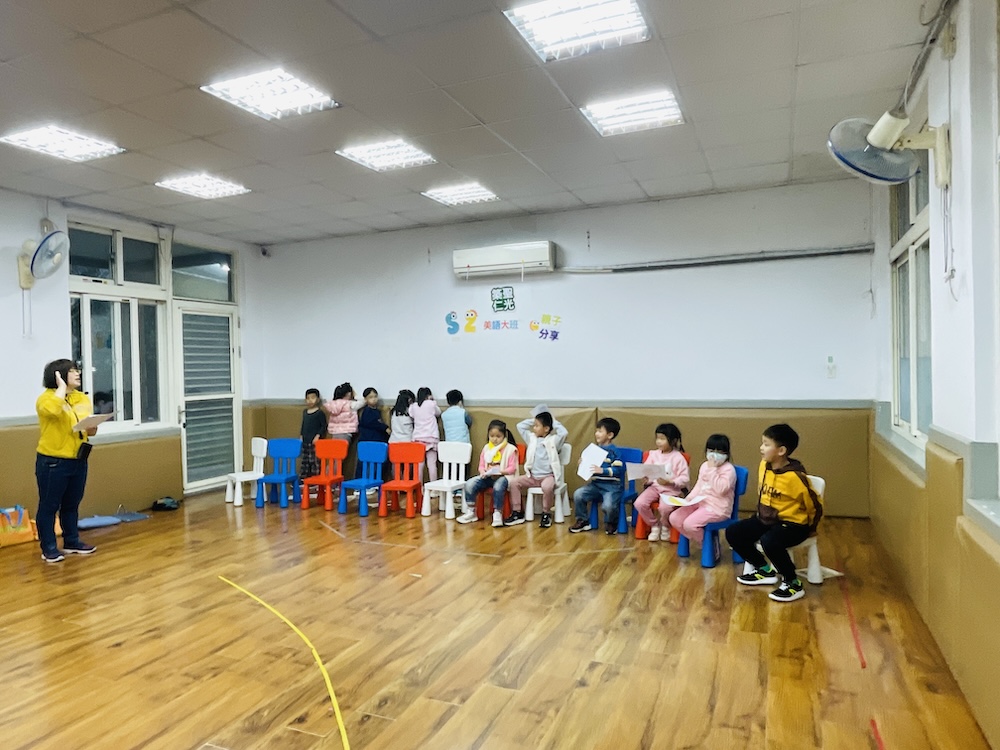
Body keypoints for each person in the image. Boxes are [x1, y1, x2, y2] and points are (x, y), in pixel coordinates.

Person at [725, 424, 822, 602]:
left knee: (769, 541)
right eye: (762, 443)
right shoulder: (764, 466)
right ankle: (764, 569)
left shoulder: (795, 477)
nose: (761, 448)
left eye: (766, 444)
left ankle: (793, 583)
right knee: (733, 532)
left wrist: (812, 528)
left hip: (794, 525)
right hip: (767, 519)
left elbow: (814, 505)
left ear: (781, 450)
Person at [35, 359, 99, 563]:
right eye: (72, 371)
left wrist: (92, 427)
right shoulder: (46, 399)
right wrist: (61, 388)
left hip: (78, 459)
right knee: (49, 505)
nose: (78, 374)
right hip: (53, 461)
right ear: (59, 375)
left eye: (77, 370)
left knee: (72, 504)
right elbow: (53, 411)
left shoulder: (81, 398)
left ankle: (72, 541)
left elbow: (88, 429)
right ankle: (49, 548)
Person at [669, 434, 737, 561]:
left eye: (719, 452)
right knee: (675, 518)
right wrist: (687, 500)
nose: (714, 455)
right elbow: (699, 486)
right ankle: (704, 542)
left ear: (726, 453)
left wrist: (713, 470)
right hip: (701, 503)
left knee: (689, 524)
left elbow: (721, 490)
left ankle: (710, 546)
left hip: (718, 509)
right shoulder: (704, 466)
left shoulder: (729, 470)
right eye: (711, 451)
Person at [506, 408, 567, 528]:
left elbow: (563, 433)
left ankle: (546, 513)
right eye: (534, 425)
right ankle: (517, 511)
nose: (534, 428)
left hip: (548, 476)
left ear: (546, 428)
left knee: (547, 487)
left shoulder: (553, 440)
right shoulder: (531, 438)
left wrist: (553, 421)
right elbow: (520, 426)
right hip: (532, 476)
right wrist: (534, 420)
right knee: (514, 483)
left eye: (537, 426)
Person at [633, 423, 690, 542]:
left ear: (673, 441)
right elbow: (647, 470)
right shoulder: (653, 454)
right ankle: (654, 525)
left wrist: (671, 482)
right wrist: (646, 478)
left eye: (662, 439)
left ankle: (665, 525)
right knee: (639, 503)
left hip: (671, 490)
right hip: (654, 488)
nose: (659, 442)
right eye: (657, 438)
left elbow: (684, 478)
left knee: (665, 508)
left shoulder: (678, 457)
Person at [458, 420, 518, 526]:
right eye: (492, 436)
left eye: (498, 436)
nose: (494, 439)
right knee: (470, 483)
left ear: (504, 435)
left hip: (504, 477)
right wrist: (483, 471)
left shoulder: (511, 449)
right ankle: (471, 511)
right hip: (488, 477)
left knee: (498, 486)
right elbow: (481, 465)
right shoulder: (486, 448)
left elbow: (512, 468)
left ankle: (497, 512)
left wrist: (500, 471)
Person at [570, 417, 625, 534]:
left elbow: (618, 470)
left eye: (600, 431)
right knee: (578, 494)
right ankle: (583, 520)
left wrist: (602, 470)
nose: (596, 434)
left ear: (610, 435)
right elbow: (589, 469)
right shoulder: (593, 450)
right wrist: (582, 464)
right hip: (595, 485)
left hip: (612, 487)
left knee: (608, 506)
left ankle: (611, 522)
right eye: (596, 431)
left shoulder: (614, 452)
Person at [409, 387, 441, 482]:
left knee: (419, 464)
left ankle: (419, 487)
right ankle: (433, 487)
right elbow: (438, 413)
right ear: (428, 395)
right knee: (432, 464)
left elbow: (411, 415)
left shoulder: (414, 406)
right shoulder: (431, 404)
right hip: (431, 437)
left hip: (418, 438)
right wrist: (432, 400)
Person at [357, 387, 390, 479]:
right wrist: (385, 428)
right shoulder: (367, 411)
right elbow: (372, 423)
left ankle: (373, 481)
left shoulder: (377, 411)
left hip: (376, 441)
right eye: (371, 397)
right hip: (369, 441)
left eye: (375, 396)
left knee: (376, 464)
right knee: (367, 464)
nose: (374, 399)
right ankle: (366, 481)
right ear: (365, 399)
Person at [299, 388, 326, 485]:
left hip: (314, 442)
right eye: (308, 398)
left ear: (318, 399)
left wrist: (318, 436)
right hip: (305, 441)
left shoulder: (319, 413)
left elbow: (323, 426)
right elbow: (303, 425)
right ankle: (303, 478)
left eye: (313, 398)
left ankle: (316, 479)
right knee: (305, 461)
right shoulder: (305, 412)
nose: (310, 400)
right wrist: (301, 435)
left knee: (314, 461)